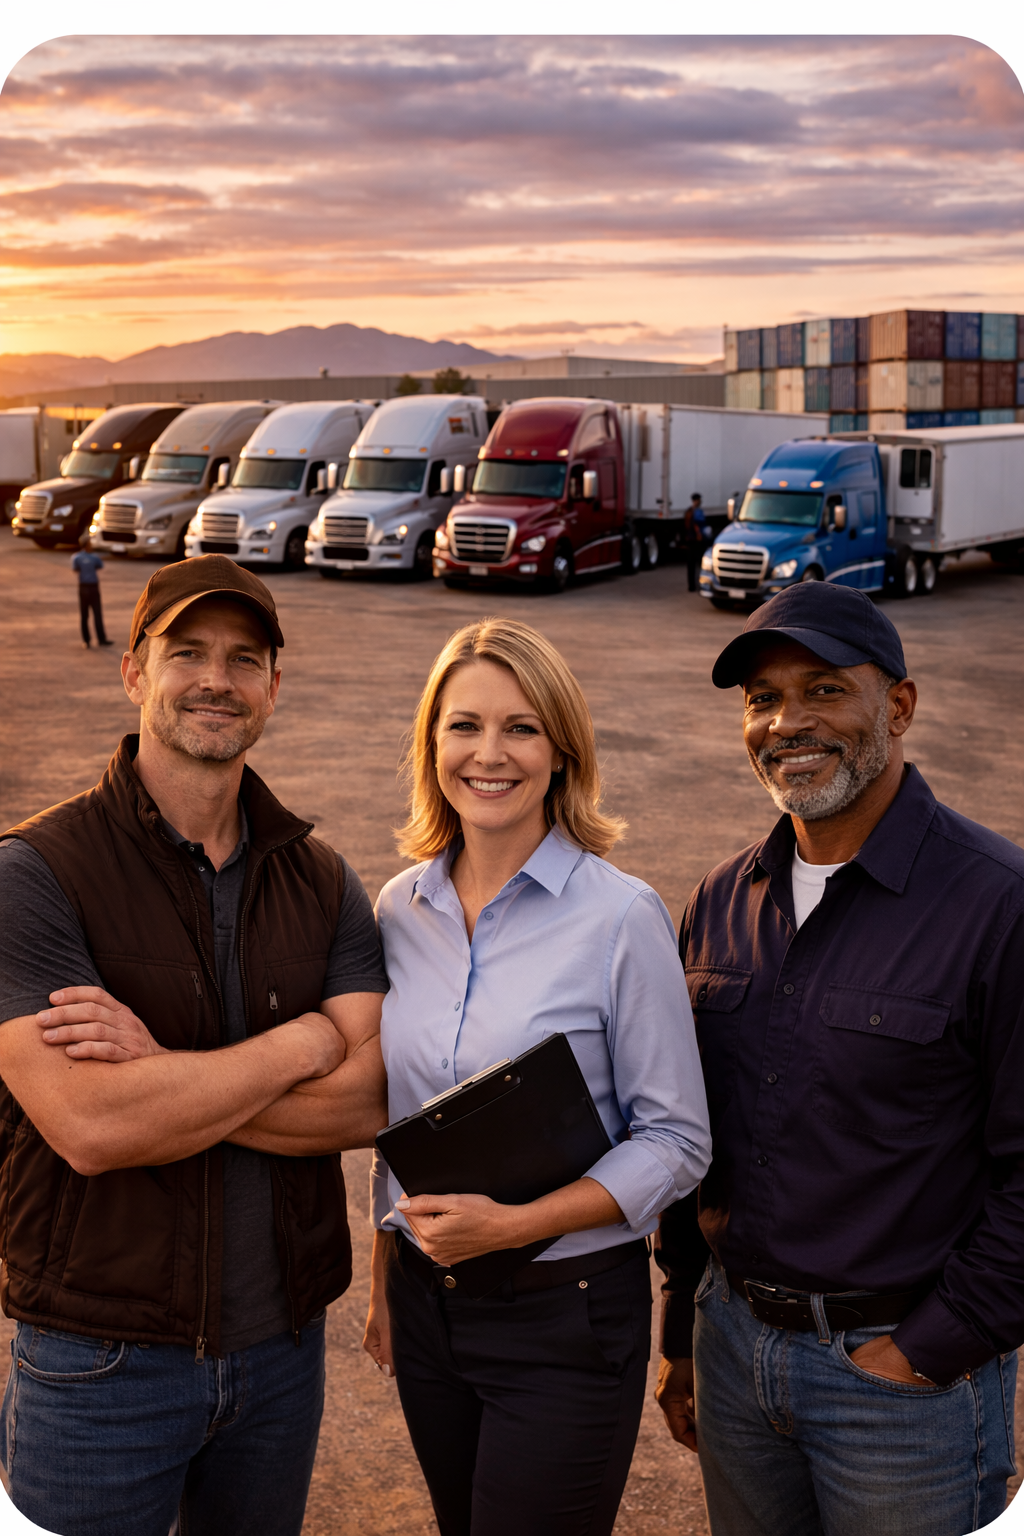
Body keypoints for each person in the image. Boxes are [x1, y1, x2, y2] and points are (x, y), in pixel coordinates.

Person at [0, 555, 389, 1536]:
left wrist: (166, 1082)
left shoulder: (321, 877)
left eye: (244, 658)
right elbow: (88, 1125)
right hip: (95, 1363)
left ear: (272, 687)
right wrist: (305, 1039)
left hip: (280, 1359)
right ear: (134, 670)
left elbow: (370, 1101)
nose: (217, 678)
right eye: (188, 653)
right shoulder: (34, 875)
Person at [653, 582, 1023, 1536]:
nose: (787, 722)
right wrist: (686, 1335)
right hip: (734, 1350)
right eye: (762, 699)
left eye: (823, 690)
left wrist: (928, 1350)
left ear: (897, 706)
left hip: (901, 1386)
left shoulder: (998, 906)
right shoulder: (720, 901)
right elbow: (698, 1136)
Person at [362, 618, 711, 1536]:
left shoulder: (620, 916)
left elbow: (678, 1142)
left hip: (567, 1314)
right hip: (427, 1308)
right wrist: (385, 1269)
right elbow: (408, 1114)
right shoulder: (401, 908)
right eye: (464, 725)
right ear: (430, 742)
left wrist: (516, 1225)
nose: (490, 753)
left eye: (520, 727)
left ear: (562, 750)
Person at [71, 533, 113, 647]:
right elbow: (99, 566)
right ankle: (101, 639)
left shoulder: (76, 557)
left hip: (83, 587)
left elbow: (75, 568)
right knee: (97, 613)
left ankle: (86, 640)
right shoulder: (94, 557)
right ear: (87, 544)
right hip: (93, 586)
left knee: (84, 615)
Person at [680, 494, 708, 592]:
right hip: (697, 541)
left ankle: (691, 586)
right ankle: (699, 585)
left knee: (690, 564)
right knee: (699, 563)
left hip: (690, 541)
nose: (700, 501)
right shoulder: (698, 512)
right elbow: (701, 522)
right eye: (699, 500)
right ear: (697, 500)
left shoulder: (688, 511)